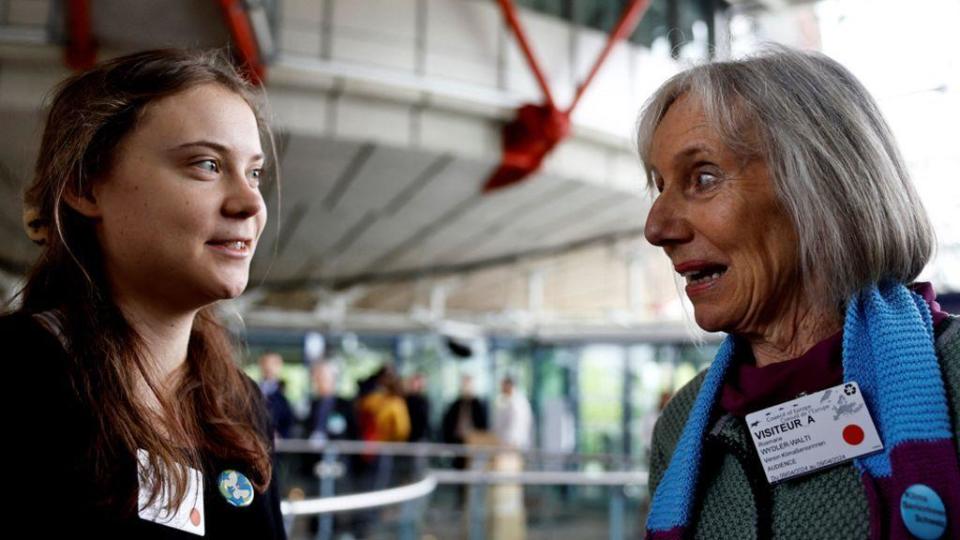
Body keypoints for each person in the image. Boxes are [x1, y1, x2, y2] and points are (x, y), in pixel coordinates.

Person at [639, 47, 958, 539]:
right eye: (659, 187)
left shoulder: (953, 377)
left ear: (824, 187)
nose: (656, 227)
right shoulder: (682, 425)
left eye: (702, 178)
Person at [3, 49, 286, 538]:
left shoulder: (239, 403)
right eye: (206, 164)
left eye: (254, 172)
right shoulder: (19, 378)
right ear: (85, 187)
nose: (250, 202)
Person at [259, 351, 295, 439]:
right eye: (266, 363)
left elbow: (288, 420)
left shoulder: (285, 393)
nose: (269, 367)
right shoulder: (253, 389)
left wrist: (280, 435)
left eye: (274, 364)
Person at [493, 376, 533, 450]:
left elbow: (518, 424)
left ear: (508, 385)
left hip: (514, 443)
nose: (501, 389)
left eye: (502, 386)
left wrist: (514, 441)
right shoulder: (505, 400)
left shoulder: (519, 401)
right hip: (505, 442)